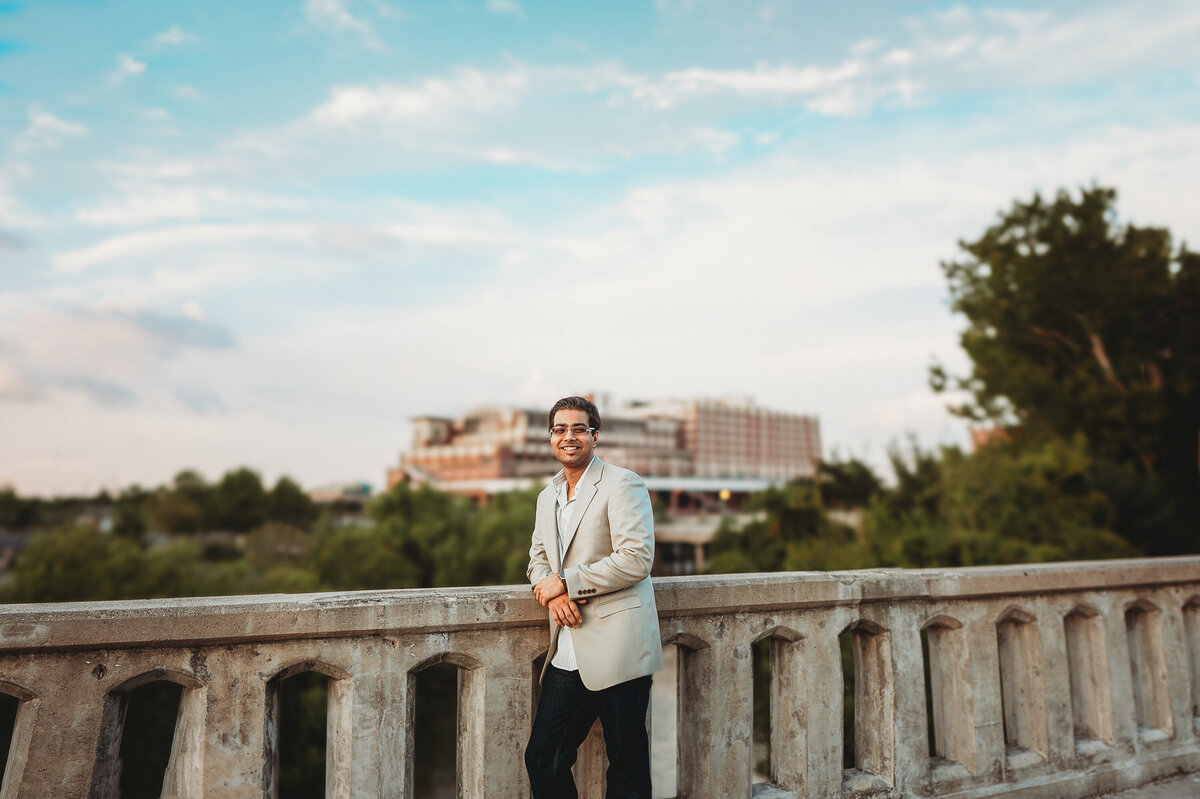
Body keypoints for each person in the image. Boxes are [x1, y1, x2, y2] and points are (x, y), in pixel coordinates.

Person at [525, 396, 664, 799]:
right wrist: (549, 593)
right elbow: (537, 559)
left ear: (595, 436)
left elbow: (636, 559)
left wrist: (566, 583)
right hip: (567, 648)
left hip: (619, 644)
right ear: (551, 437)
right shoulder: (546, 496)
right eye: (559, 429)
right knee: (543, 759)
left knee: (627, 767)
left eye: (578, 429)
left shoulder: (623, 483)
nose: (568, 437)